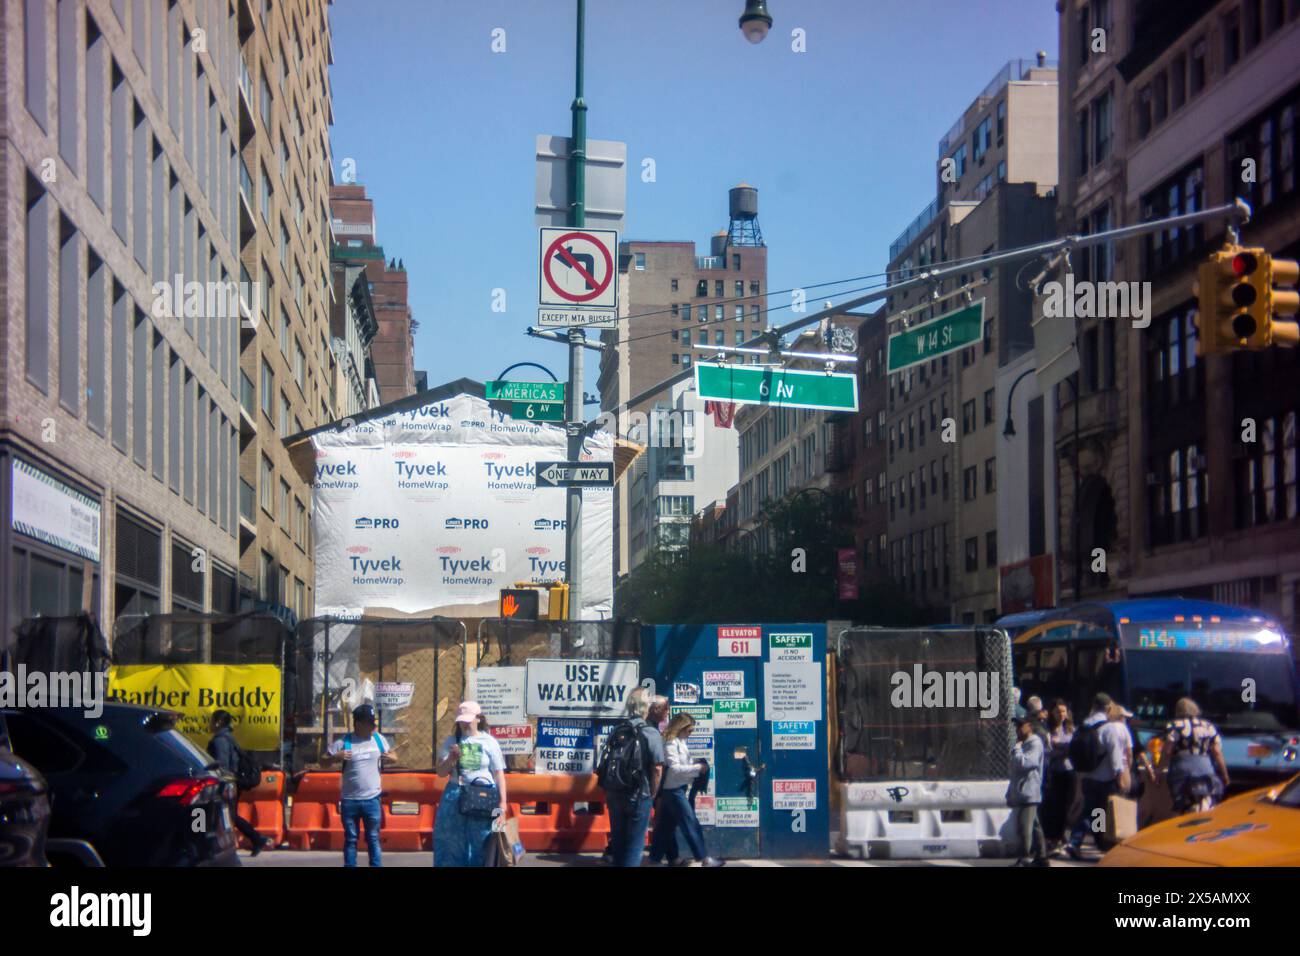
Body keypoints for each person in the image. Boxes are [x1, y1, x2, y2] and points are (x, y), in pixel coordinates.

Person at [433, 702, 508, 867]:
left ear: (478, 718)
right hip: (456, 794)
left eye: (468, 720)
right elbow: (440, 772)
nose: (464, 724)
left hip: (483, 796)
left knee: (481, 840)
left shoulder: (489, 742)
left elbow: (499, 774)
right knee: (451, 841)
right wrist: (452, 758)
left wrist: (502, 803)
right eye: (461, 721)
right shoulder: (452, 741)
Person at [321, 703, 396, 867]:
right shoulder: (344, 742)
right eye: (370, 723)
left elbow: (394, 755)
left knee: (373, 838)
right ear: (359, 724)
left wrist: (391, 758)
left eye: (374, 722)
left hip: (372, 799)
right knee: (351, 838)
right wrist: (336, 757)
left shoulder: (378, 738)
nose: (373, 726)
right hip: (350, 800)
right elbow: (323, 762)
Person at [600, 686, 665, 867]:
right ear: (647, 707)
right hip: (638, 795)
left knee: (619, 845)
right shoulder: (650, 732)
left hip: (614, 794)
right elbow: (658, 768)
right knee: (635, 846)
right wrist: (652, 794)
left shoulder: (617, 730)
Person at [651, 713, 724, 867]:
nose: (691, 733)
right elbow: (675, 768)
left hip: (676, 789)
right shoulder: (671, 743)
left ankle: (654, 860)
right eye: (689, 730)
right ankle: (704, 859)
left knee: (664, 828)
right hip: (673, 790)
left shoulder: (680, 742)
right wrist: (698, 768)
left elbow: (682, 765)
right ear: (681, 727)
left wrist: (695, 763)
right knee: (690, 823)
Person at [1065, 692, 1131, 861]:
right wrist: (1120, 775)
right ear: (1109, 708)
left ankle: (1098, 842)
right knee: (1093, 812)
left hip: (1087, 776)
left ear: (1093, 706)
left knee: (1095, 811)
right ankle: (1076, 841)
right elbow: (1115, 755)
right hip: (1105, 778)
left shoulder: (1084, 726)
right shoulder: (1109, 728)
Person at [207, 710, 270, 856]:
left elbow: (222, 764)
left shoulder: (220, 740)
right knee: (229, 815)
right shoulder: (227, 738)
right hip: (231, 783)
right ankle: (256, 839)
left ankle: (256, 839)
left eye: (211, 721)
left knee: (223, 815)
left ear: (218, 722)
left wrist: (219, 782)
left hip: (226, 784)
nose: (209, 724)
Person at [1158, 698, 1230, 814]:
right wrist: (1225, 774)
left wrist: (1159, 771)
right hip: (1205, 768)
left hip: (1181, 769)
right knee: (1209, 798)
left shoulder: (1173, 726)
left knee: (1182, 801)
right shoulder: (1208, 726)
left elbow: (1167, 751)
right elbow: (1216, 751)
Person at [1007, 714, 1048, 867]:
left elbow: (1026, 763)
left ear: (1030, 726)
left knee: (1024, 826)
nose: (1017, 729)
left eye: (1021, 725)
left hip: (1029, 791)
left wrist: (1017, 751)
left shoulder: (1034, 743)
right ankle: (1042, 857)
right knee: (1035, 825)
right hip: (1023, 791)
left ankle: (1024, 858)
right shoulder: (1024, 743)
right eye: (1016, 725)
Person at [1040, 699, 1075, 854]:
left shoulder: (1071, 730)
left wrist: (1062, 751)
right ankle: (1052, 837)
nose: (1061, 714)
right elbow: (1046, 752)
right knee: (1054, 806)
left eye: (1064, 711)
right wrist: (1061, 752)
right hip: (1053, 772)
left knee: (1067, 806)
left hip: (1068, 771)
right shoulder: (1047, 730)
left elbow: (1074, 749)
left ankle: (1063, 837)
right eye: (1058, 711)